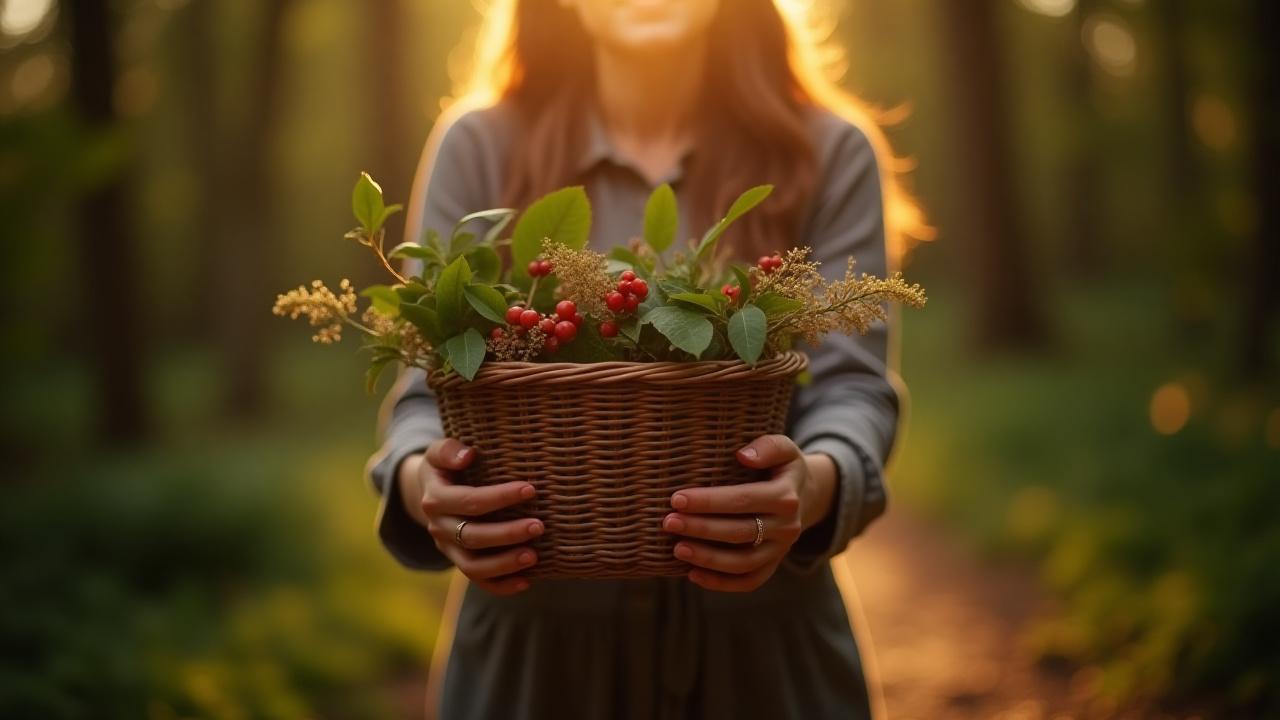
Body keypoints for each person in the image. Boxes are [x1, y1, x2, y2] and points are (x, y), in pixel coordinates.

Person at [365, 0, 929, 717]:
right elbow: (427, 390)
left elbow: (853, 387)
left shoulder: (826, 151)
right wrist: (425, 485)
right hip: (536, 660)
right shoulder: (481, 145)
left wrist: (813, 486)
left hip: (762, 656)